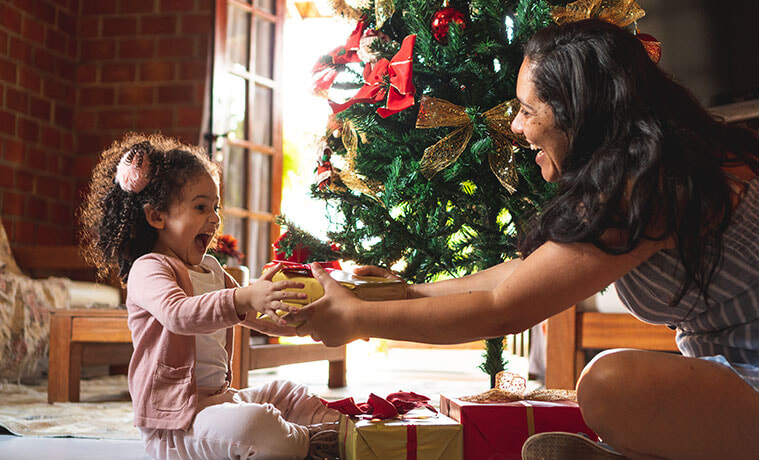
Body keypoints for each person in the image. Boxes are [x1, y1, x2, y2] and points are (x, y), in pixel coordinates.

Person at [291, 19, 759, 460]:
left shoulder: (649, 182)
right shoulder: (648, 165)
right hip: (736, 375)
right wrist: (405, 291)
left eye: (527, 110)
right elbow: (523, 274)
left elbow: (505, 307)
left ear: (579, 114)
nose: (515, 126)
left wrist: (358, 319)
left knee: (609, 384)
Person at [79, 132, 341, 460]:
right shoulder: (148, 269)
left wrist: (303, 322)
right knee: (255, 425)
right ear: (156, 216)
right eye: (201, 207)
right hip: (176, 424)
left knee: (285, 392)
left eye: (215, 207)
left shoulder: (212, 269)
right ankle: (310, 442)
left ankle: (341, 428)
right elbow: (180, 313)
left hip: (219, 402)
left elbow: (253, 315)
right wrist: (245, 297)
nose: (215, 219)